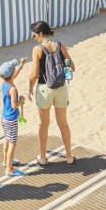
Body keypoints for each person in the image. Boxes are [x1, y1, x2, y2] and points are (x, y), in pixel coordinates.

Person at [28, 21, 74, 166]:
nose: (35, 38)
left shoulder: (37, 49)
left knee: (44, 125)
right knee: (63, 123)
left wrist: (29, 88)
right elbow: (72, 66)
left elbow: (34, 73)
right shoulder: (59, 45)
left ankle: (42, 157)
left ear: (41, 34)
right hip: (60, 88)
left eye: (35, 35)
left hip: (45, 88)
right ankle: (69, 157)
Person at [0, 58, 27, 176]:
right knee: (12, 143)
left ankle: (6, 161)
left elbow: (14, 75)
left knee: (7, 138)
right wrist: (21, 100)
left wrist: (21, 65)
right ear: (11, 74)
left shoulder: (5, 83)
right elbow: (14, 105)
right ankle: (9, 169)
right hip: (11, 120)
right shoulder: (13, 89)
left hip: (4, 118)